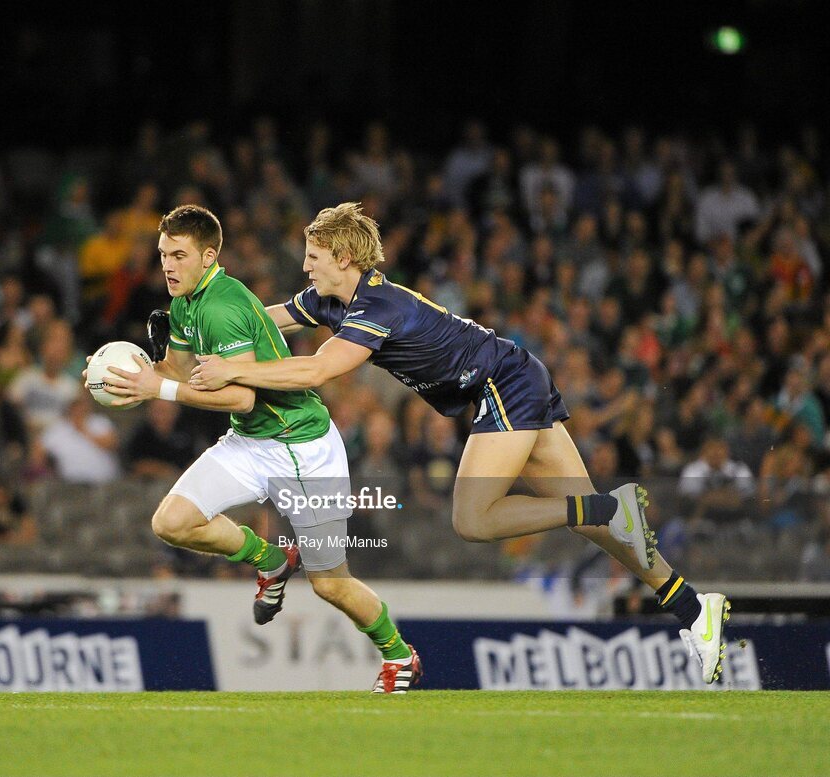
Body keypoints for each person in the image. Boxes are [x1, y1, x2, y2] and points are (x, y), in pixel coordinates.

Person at [191, 202, 730, 684]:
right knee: (595, 522)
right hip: (516, 375)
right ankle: (691, 607)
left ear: (343, 257)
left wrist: (231, 375)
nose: (305, 265)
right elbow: (262, 321)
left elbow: (314, 370)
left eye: (314, 255)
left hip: (502, 383)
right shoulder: (333, 300)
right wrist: (193, 327)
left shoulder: (377, 308)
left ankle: (607, 506)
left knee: (474, 519)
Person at [97, 205, 421, 693]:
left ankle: (400, 656)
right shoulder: (186, 300)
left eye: (179, 255)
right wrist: (115, 374)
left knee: (330, 582)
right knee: (171, 522)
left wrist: (156, 389)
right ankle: (270, 559)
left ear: (209, 256)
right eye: (163, 253)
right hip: (250, 440)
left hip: (302, 448)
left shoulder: (221, 307)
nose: (167, 264)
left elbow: (237, 394)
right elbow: (180, 374)